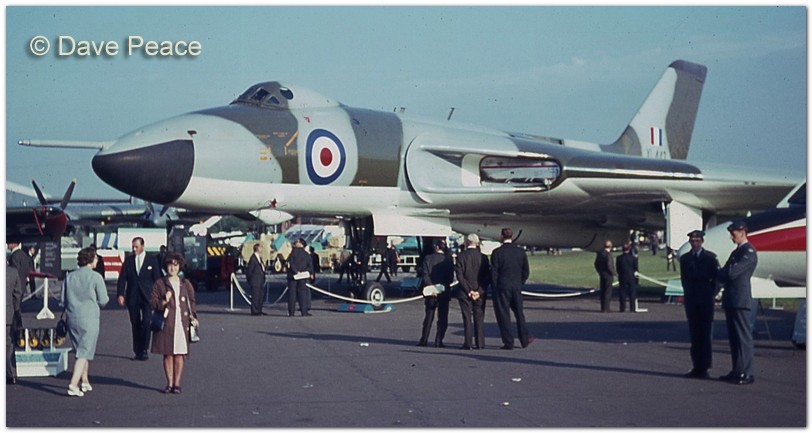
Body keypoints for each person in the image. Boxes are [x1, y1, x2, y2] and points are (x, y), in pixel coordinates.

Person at [61, 247, 109, 397]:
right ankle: (73, 384)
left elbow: (63, 300)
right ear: (91, 259)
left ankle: (85, 381)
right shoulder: (96, 277)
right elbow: (104, 300)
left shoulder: (69, 277)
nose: (97, 260)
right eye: (96, 258)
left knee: (80, 351)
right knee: (84, 352)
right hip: (89, 318)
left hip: (72, 317)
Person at [149, 252, 198, 394]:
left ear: (180, 267)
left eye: (176, 265)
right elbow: (152, 302)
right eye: (170, 265)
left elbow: (192, 302)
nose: (173, 268)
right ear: (165, 267)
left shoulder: (185, 284)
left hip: (182, 323)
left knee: (180, 353)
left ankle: (177, 383)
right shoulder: (160, 283)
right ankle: (169, 383)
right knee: (168, 353)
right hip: (167, 323)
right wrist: (164, 301)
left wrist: (193, 316)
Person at [717, 220, 758, 385]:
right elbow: (722, 273)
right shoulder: (737, 252)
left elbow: (731, 273)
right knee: (734, 338)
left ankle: (747, 372)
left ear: (742, 232)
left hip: (740, 299)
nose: (731, 237)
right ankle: (737, 370)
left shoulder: (748, 252)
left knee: (743, 337)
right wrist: (725, 271)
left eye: (733, 234)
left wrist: (726, 271)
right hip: (731, 299)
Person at [679, 230, 720, 379]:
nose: (695, 243)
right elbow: (684, 279)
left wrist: (711, 294)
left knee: (705, 334)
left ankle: (705, 367)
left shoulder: (709, 258)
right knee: (694, 334)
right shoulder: (685, 259)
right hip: (692, 298)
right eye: (692, 241)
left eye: (697, 241)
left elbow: (716, 280)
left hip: (705, 298)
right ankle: (696, 366)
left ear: (702, 241)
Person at [117, 237, 162, 361]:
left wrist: (159, 296)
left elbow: (157, 279)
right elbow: (122, 278)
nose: (134, 249)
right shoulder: (129, 260)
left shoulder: (152, 260)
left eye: (136, 247)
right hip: (133, 296)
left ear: (143, 246)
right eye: (133, 247)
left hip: (148, 297)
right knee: (135, 323)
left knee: (146, 322)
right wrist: (120, 294)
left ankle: (144, 349)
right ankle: (137, 350)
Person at [490, 228, 533, 350]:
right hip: (516, 285)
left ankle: (508, 341)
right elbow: (526, 271)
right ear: (512, 236)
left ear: (501, 236)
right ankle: (524, 339)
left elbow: (494, 272)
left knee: (504, 315)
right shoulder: (520, 252)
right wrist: (520, 282)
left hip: (503, 286)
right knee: (519, 313)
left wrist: (495, 287)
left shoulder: (497, 252)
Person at [454, 234, 490, 350]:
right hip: (480, 291)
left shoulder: (461, 256)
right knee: (479, 317)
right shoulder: (483, 257)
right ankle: (480, 342)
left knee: (467, 317)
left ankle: (468, 342)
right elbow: (486, 277)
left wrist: (468, 290)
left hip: (464, 292)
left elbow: (460, 276)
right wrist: (479, 291)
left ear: (467, 242)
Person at [417, 241, 454, 347]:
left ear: (436, 247)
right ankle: (439, 340)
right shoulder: (448, 260)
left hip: (430, 292)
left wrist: (431, 286)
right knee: (442, 318)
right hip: (444, 291)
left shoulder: (428, 258)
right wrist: (441, 287)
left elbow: (425, 275)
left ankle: (424, 339)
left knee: (428, 317)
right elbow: (450, 278)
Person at [286, 238, 314, 316]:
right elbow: (310, 267)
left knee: (292, 295)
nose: (295, 243)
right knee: (303, 294)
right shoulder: (307, 255)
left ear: (301, 244)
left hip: (293, 276)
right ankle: (304, 311)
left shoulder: (293, 253)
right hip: (303, 277)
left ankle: (291, 312)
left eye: (297, 242)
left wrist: (296, 272)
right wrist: (303, 272)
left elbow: (291, 263)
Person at [6, 263, 23, 385]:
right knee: (8, 344)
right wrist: (16, 311)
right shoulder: (12, 272)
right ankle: (10, 373)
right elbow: (17, 294)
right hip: (7, 313)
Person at [615, 242, 639, 313]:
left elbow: (618, 268)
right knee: (632, 293)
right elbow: (636, 268)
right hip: (631, 277)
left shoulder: (619, 258)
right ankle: (632, 308)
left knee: (622, 293)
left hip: (623, 276)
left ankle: (622, 308)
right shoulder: (633, 258)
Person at [594, 240, 616, 312]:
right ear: (610, 246)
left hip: (602, 274)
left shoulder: (600, 254)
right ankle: (606, 308)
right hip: (608, 275)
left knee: (603, 291)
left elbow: (596, 264)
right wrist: (613, 273)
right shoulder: (608, 255)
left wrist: (599, 271)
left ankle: (603, 307)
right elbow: (609, 265)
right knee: (607, 292)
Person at [246, 243, 266, 316]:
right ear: (257, 249)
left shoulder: (259, 258)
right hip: (255, 281)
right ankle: (254, 311)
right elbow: (249, 271)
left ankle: (259, 310)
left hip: (260, 281)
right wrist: (250, 280)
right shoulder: (253, 258)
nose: (262, 249)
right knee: (255, 297)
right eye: (261, 248)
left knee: (260, 296)